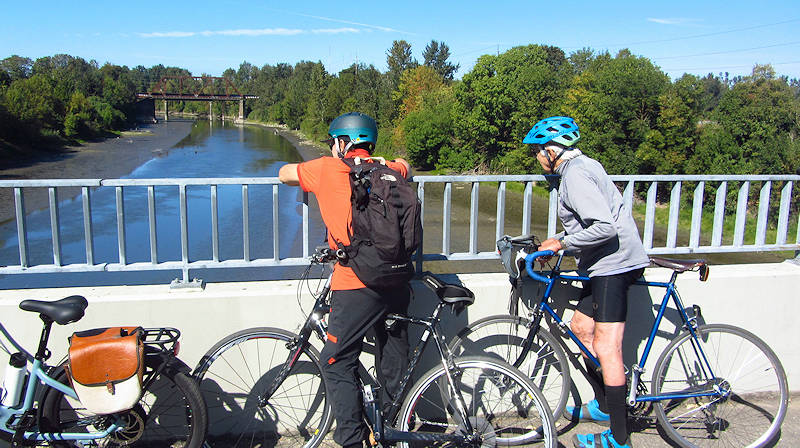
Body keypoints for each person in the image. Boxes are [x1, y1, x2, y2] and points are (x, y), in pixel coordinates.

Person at [278, 112, 413, 448]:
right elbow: (406, 165)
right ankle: (396, 432)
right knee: (393, 360)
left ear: (342, 142)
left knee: (335, 360)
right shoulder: (390, 171)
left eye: (333, 141)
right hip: (397, 280)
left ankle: (352, 440)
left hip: (355, 285)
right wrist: (386, 161)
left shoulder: (327, 168)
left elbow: (284, 174)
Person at [524, 116, 650, 448]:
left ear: (552, 151)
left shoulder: (575, 175)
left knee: (608, 348)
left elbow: (604, 227)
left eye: (537, 151)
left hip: (614, 264)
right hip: (603, 264)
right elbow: (588, 223)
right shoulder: (579, 167)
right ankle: (607, 406)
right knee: (581, 328)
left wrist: (562, 244)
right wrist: (557, 239)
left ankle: (620, 439)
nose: (536, 157)